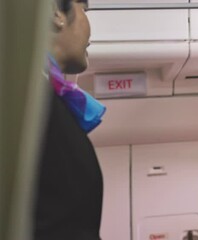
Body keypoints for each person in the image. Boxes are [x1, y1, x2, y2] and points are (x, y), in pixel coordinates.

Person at [33, 0, 106, 239]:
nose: (90, 29)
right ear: (57, 13)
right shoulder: (32, 103)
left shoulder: (45, 97)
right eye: (84, 10)